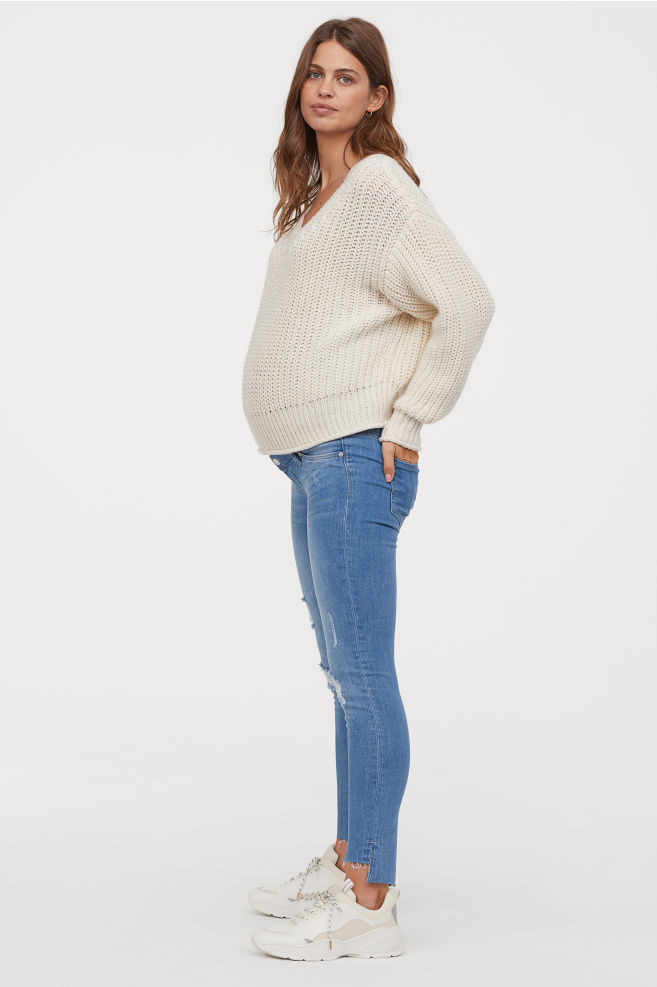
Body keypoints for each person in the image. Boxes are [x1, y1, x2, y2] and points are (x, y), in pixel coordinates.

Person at [241, 17, 495, 961]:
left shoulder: (380, 186)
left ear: (376, 97)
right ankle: (352, 855)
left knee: (361, 678)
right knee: (341, 676)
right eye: (314, 72)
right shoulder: (316, 196)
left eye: (346, 77)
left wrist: (410, 415)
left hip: (355, 458)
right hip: (311, 458)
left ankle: (370, 902)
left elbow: (466, 300)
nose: (324, 88)